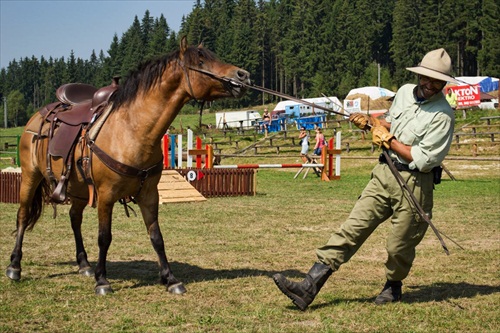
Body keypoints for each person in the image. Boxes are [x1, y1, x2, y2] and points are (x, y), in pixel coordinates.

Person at [272, 48, 458, 310]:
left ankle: (393, 285)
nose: (430, 85)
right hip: (384, 174)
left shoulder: (443, 115)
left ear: (444, 83)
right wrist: (371, 122)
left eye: (437, 81)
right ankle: (308, 287)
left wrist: (389, 141)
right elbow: (391, 122)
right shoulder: (404, 92)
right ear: (419, 76)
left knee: (398, 246)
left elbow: (424, 158)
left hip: (416, 183)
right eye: (426, 78)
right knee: (352, 229)